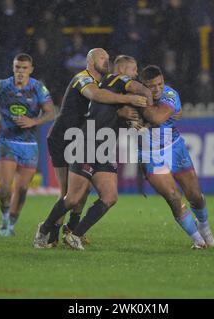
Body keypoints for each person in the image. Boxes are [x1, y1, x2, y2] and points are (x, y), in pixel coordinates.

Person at [34, 55, 151, 250]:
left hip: (103, 148)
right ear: (122, 70)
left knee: (110, 197)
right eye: (134, 69)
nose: (136, 74)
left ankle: (74, 234)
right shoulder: (115, 80)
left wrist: (131, 121)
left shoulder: (106, 88)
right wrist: (150, 96)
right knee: (72, 197)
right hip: (85, 143)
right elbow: (138, 90)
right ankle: (45, 230)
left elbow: (107, 115)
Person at [138, 65, 214, 250]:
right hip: (150, 156)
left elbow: (156, 117)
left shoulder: (170, 94)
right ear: (143, 85)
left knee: (195, 196)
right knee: (173, 197)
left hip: (175, 149)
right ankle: (198, 240)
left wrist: (141, 115)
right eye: (152, 86)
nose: (157, 89)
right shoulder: (133, 97)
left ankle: (204, 226)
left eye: (160, 84)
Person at [0, 53, 55, 236]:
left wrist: (33, 122)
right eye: (17, 68)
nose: (20, 72)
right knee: (5, 187)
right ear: (13, 68)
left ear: (31, 69)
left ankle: (12, 223)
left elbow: (51, 112)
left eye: (24, 68)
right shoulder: (3, 85)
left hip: (29, 145)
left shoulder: (37, 87)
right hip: (7, 142)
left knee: (21, 189)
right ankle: (4, 217)